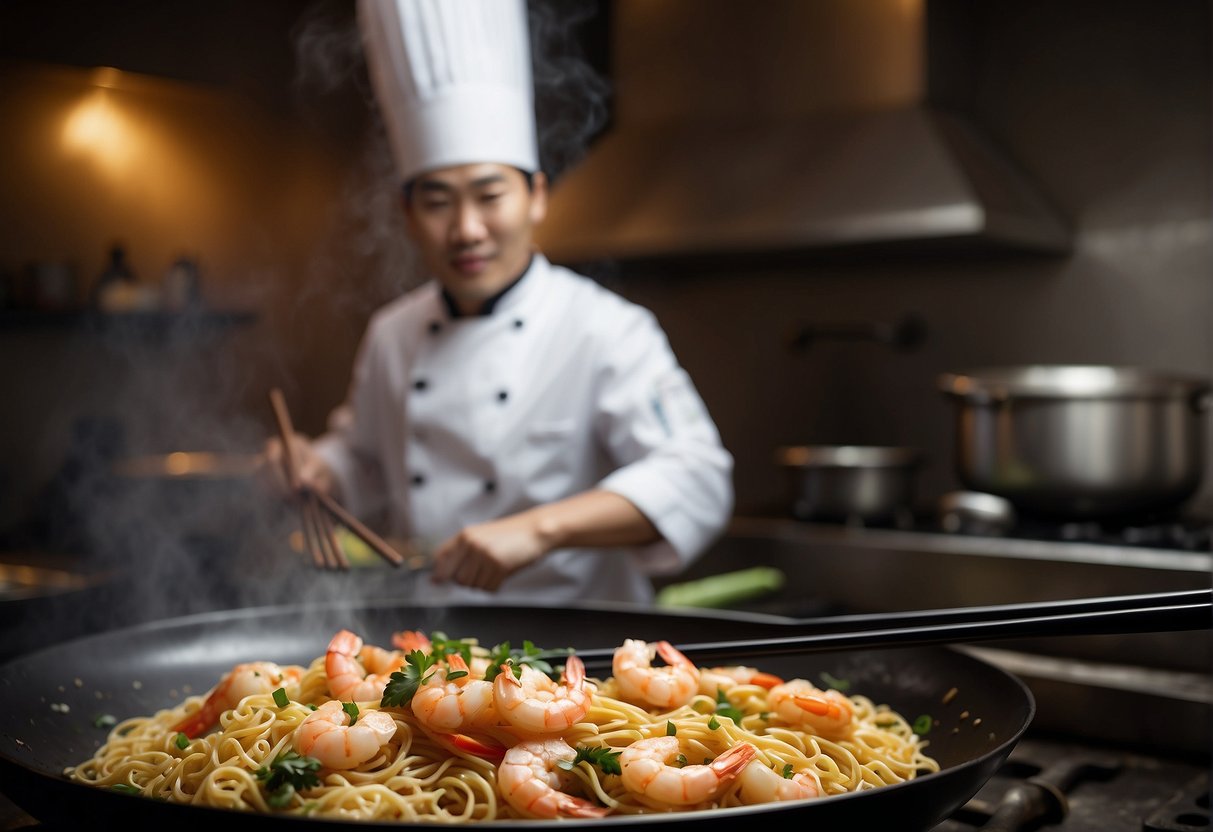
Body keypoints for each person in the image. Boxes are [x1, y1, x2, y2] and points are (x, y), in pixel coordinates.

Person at [265, 0, 732, 605]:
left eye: (490, 195)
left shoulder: (604, 329)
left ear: (537, 197)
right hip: (433, 651)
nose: (466, 229)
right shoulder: (393, 333)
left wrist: (540, 529)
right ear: (407, 214)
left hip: (581, 650)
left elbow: (697, 478)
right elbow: (368, 464)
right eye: (437, 202)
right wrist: (317, 469)